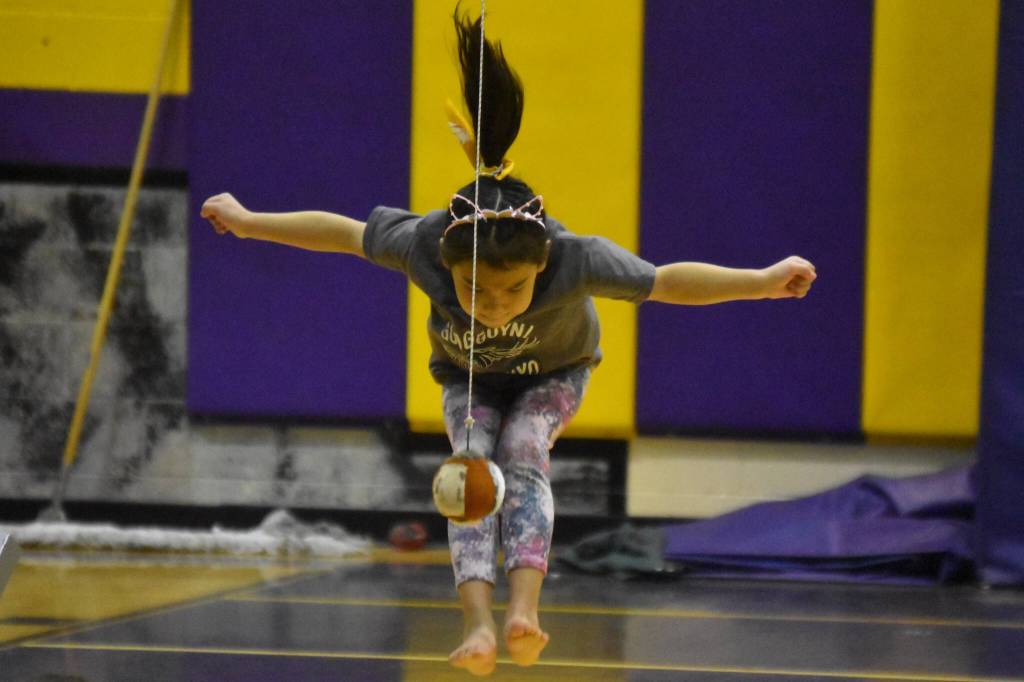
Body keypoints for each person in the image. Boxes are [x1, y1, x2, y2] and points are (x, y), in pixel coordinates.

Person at [200, 10, 816, 677]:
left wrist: (760, 281)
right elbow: (342, 232)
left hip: (556, 372)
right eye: (474, 290)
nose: (492, 306)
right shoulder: (426, 244)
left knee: (523, 449)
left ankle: (526, 611)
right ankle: (477, 627)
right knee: (467, 469)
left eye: (512, 291)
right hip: (469, 377)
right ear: (449, 259)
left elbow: (667, 282)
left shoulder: (576, 258)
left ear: (542, 262)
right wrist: (247, 221)